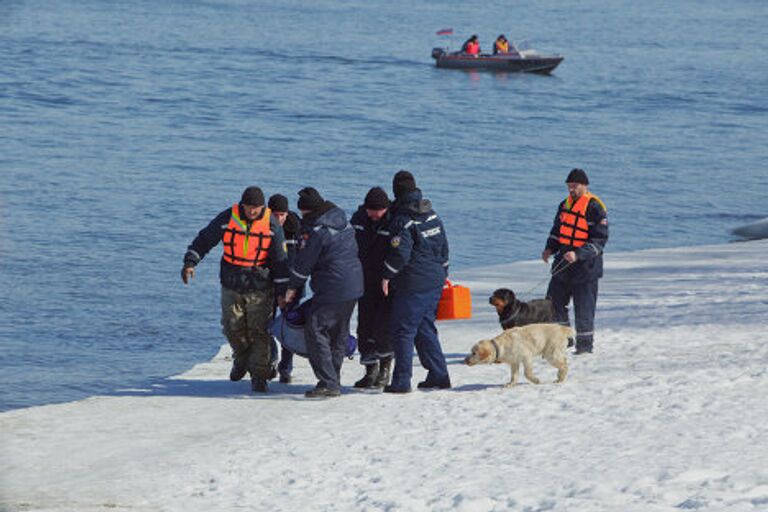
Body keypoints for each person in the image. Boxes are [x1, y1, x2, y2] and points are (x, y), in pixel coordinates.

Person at [181, 186, 289, 393]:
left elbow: (280, 260)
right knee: (232, 327)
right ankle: (241, 359)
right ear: (242, 205)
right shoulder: (228, 218)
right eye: (249, 208)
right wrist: (190, 262)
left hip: (259, 286)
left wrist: (283, 292)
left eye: (256, 208)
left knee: (259, 331)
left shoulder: (272, 224)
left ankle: (259, 376)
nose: (252, 212)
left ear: (263, 207)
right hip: (231, 283)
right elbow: (205, 239)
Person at [282, 187, 364, 398]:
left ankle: (328, 382)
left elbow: (303, 264)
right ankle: (333, 378)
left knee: (315, 329)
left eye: (303, 214)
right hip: (354, 285)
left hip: (332, 287)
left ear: (309, 211)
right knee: (339, 333)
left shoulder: (318, 231)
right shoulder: (342, 221)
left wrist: (292, 288)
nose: (301, 217)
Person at [381, 171, 451, 393]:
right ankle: (439, 374)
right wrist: (443, 272)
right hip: (435, 278)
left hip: (413, 283)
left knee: (403, 330)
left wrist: (387, 275)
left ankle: (401, 381)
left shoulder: (403, 219)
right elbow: (444, 246)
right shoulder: (431, 213)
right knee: (424, 327)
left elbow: (400, 254)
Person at [542, 168, 608, 354]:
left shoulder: (595, 208)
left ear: (585, 186)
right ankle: (564, 340)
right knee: (553, 304)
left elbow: (599, 240)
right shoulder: (564, 205)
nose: (571, 190)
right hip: (563, 264)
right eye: (569, 187)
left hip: (586, 267)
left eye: (575, 186)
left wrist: (578, 254)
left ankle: (584, 348)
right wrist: (549, 249)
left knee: (583, 310)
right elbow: (556, 232)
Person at [350, 187, 394, 389]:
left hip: (386, 283)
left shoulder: (394, 220)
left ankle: (385, 369)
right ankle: (370, 370)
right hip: (363, 280)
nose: (374, 215)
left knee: (383, 328)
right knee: (364, 327)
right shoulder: (358, 220)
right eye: (371, 210)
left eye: (378, 211)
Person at [267, 193, 302, 384]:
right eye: (275, 214)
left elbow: (304, 259)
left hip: (291, 287)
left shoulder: (296, 230)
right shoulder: (263, 228)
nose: (279, 219)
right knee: (265, 325)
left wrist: (296, 285)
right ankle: (270, 360)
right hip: (268, 284)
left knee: (289, 328)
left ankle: (286, 368)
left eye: (283, 214)